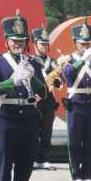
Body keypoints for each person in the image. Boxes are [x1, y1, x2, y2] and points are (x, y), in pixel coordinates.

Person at [0, 12, 47, 181]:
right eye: (14, 40)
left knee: (25, 161)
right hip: (7, 116)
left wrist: (33, 77)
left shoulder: (34, 63)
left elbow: (44, 92)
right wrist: (12, 81)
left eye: (21, 41)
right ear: (7, 40)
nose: (18, 44)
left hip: (29, 115)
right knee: (6, 162)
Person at [63, 19, 91, 181]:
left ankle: (88, 175)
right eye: (82, 43)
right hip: (76, 103)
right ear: (75, 43)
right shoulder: (68, 59)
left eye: (88, 43)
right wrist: (82, 60)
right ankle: (76, 175)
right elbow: (68, 75)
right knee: (75, 141)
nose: (85, 46)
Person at [31, 27, 59, 171]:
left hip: (48, 100)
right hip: (35, 99)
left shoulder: (52, 62)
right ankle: (34, 158)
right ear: (35, 43)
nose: (45, 46)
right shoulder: (30, 60)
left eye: (46, 43)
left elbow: (60, 82)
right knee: (34, 130)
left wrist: (57, 80)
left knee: (47, 130)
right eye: (42, 43)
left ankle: (45, 158)